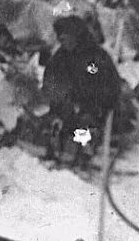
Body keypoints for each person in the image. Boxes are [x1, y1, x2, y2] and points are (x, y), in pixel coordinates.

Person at [42, 16, 121, 168]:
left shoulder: (96, 56)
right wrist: (60, 100)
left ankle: (83, 152)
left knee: (84, 124)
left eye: (66, 36)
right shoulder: (59, 58)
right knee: (49, 125)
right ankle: (57, 150)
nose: (62, 40)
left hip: (93, 109)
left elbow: (109, 86)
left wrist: (86, 102)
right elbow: (50, 83)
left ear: (77, 35)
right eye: (60, 37)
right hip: (66, 108)